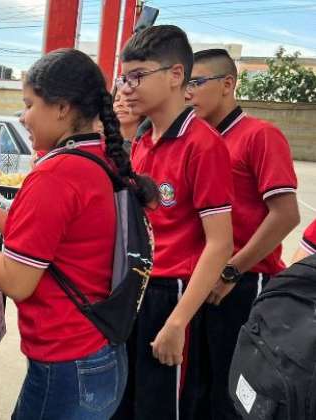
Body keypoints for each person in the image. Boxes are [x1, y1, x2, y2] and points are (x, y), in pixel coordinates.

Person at [0, 48, 158, 420]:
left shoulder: (56, 174)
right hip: (101, 353)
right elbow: (65, 245)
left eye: (29, 104)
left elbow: (17, 282)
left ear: (62, 108)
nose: (24, 116)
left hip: (67, 363)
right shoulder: (100, 156)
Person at [112, 26, 234, 420]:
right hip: (136, 286)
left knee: (159, 408)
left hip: (171, 294)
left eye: (138, 76)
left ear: (176, 75)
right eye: (124, 77)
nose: (127, 88)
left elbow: (220, 243)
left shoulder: (203, 144)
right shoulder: (144, 140)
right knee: (124, 403)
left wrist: (178, 321)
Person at [186, 48, 300, 419]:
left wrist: (232, 270)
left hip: (242, 280)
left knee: (233, 389)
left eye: (196, 82)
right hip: (203, 277)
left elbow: (285, 215)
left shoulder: (259, 136)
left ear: (228, 84)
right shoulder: (198, 140)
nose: (187, 92)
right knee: (198, 385)